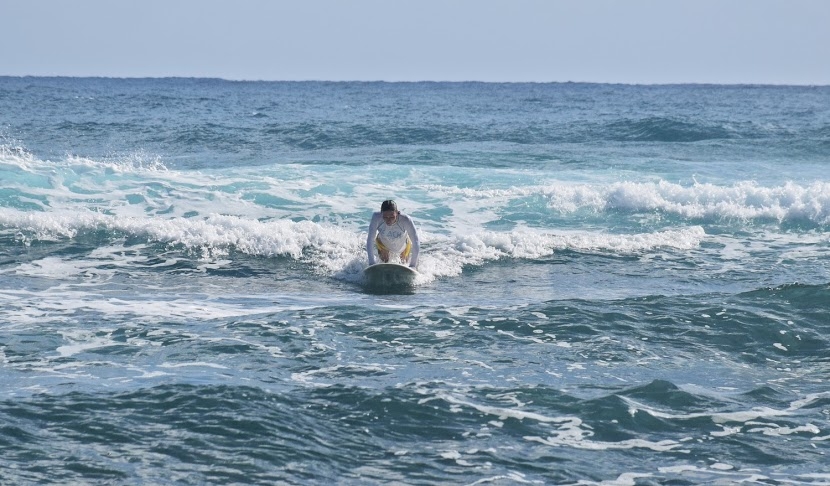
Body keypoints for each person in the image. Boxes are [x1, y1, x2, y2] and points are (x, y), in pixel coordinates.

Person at [366, 199, 420, 268]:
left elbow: (416, 241)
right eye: (385, 217)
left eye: (392, 217)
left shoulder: (406, 220)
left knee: (404, 263)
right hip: (382, 244)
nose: (389, 220)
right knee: (385, 261)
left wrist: (413, 265)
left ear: (397, 213)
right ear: (381, 213)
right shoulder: (376, 217)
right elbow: (370, 239)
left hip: (403, 245)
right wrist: (371, 263)